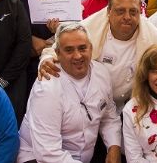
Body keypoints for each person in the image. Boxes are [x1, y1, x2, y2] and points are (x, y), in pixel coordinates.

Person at [39, 0, 157, 112]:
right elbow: (55, 49)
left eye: (133, 12)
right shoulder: (91, 26)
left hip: (132, 106)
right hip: (90, 104)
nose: (127, 17)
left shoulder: (152, 36)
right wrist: (47, 58)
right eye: (120, 11)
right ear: (108, 11)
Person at [17, 23, 121, 163]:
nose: (77, 56)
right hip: (37, 158)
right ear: (58, 53)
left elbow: (109, 116)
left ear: (91, 48)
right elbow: (47, 152)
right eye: (69, 50)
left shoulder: (101, 73)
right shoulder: (47, 88)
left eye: (82, 48)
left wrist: (114, 147)